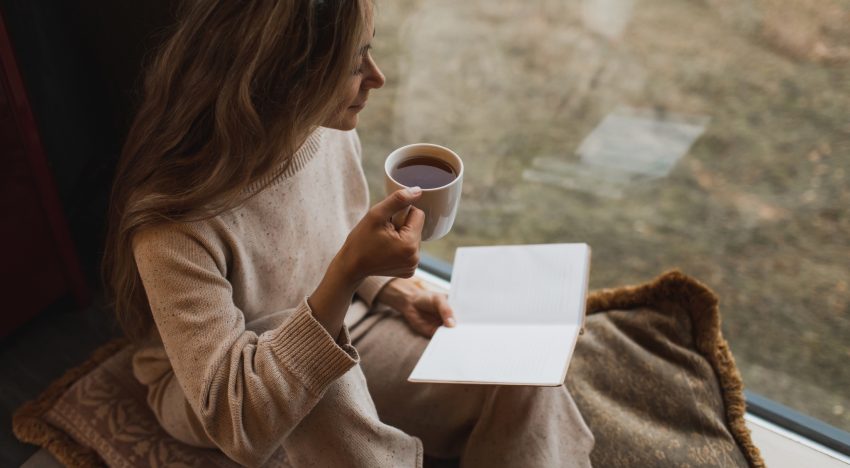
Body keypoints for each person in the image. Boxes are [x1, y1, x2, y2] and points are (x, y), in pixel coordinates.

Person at [102, 1, 594, 466]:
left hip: (343, 322)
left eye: (370, 49)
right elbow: (237, 421)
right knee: (318, 380)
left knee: (518, 374)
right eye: (356, 62)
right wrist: (351, 272)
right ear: (285, 75)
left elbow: (329, 243)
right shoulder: (172, 224)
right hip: (221, 391)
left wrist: (390, 290)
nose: (378, 78)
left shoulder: (323, 133)